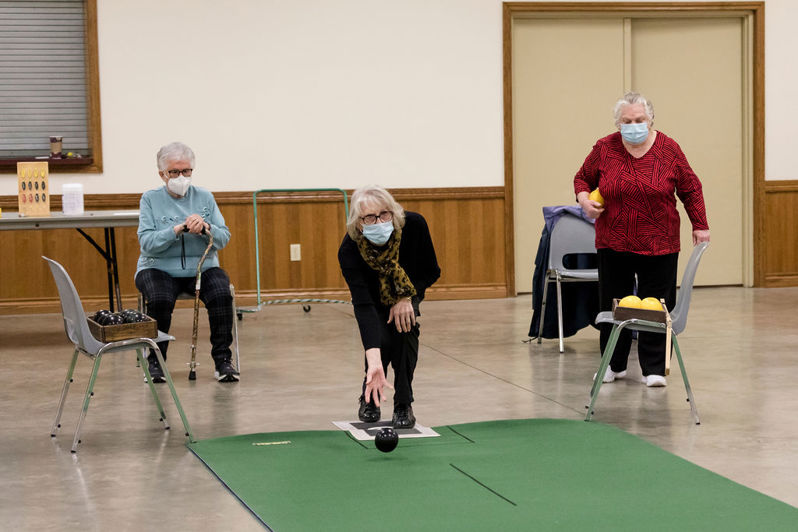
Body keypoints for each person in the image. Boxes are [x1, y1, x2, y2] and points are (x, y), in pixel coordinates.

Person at [574, 92, 710, 387]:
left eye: (639, 120)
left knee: (655, 305)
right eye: (627, 121)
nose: (633, 125)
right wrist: (584, 200)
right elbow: (582, 179)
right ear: (618, 123)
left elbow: (691, 188)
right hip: (613, 241)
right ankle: (613, 364)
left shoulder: (669, 149)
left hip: (659, 241)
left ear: (650, 120)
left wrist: (700, 224)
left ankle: (654, 369)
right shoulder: (605, 148)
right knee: (615, 305)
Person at [135, 141, 238, 383]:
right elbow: (147, 242)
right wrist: (177, 229)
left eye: (186, 171)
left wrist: (205, 227)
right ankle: (156, 362)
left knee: (221, 293)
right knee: (160, 299)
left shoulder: (205, 197)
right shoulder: (150, 199)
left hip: (201, 267)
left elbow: (223, 238)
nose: (181, 177)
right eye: (174, 172)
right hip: (158, 267)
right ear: (162, 174)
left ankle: (223, 361)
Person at [338, 185, 440, 428]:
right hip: (372, 302)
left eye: (385, 214)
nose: (380, 221)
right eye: (370, 217)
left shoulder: (413, 226)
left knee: (405, 329)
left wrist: (406, 299)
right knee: (380, 339)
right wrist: (373, 360)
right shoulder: (350, 249)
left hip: (408, 292)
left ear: (394, 212)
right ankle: (370, 396)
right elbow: (363, 306)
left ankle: (403, 403)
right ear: (359, 223)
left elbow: (431, 271)